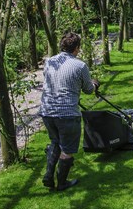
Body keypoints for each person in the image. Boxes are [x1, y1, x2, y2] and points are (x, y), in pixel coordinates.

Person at [39, 32, 99, 191]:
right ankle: (62, 183)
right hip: (67, 114)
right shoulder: (80, 66)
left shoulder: (50, 62)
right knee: (67, 149)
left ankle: (48, 176)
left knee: (55, 141)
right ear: (77, 48)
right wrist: (95, 84)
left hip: (47, 111)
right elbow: (88, 90)